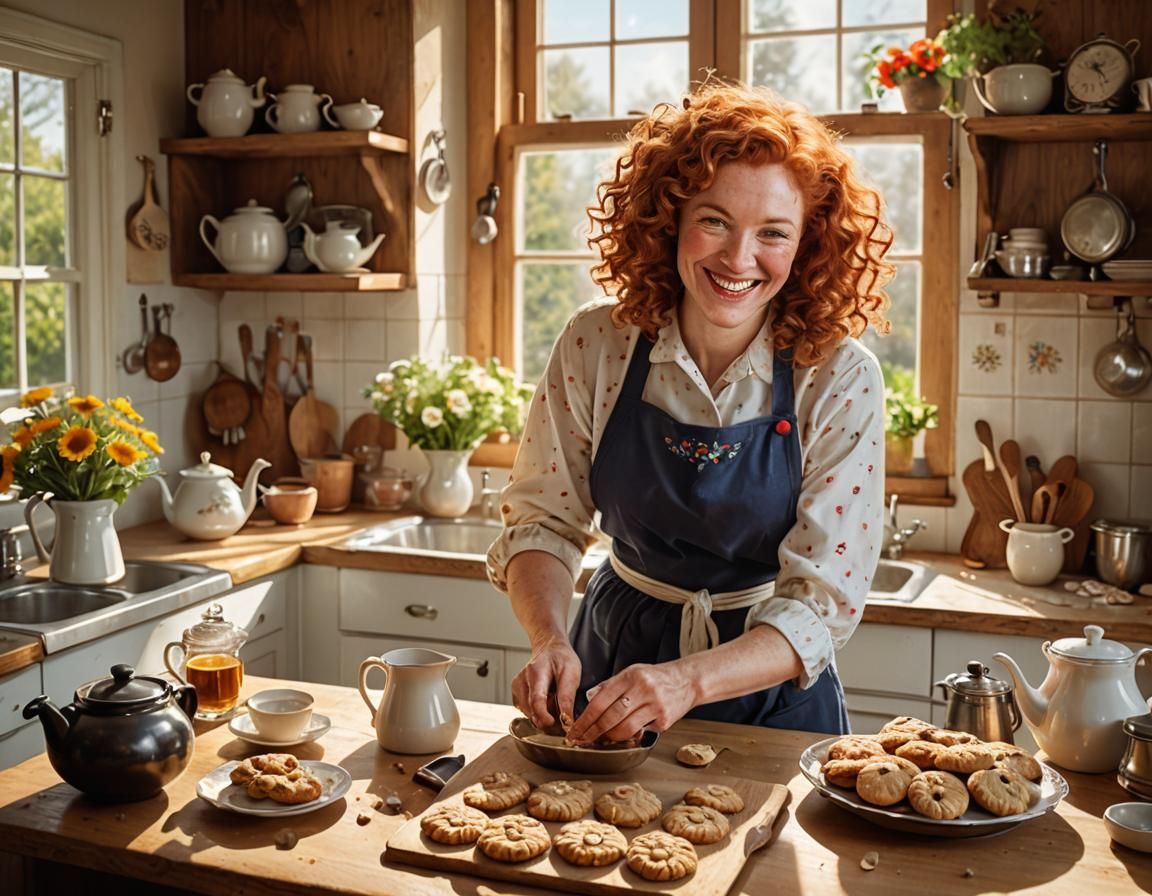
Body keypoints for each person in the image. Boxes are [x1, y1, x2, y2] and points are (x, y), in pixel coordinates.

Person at [485, 81, 894, 746]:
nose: (738, 259)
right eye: (714, 220)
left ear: (809, 244)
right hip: (607, 665)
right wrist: (549, 638)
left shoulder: (840, 377)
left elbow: (821, 608)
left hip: (768, 693)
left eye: (772, 233)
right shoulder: (597, 344)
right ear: (668, 217)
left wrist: (686, 680)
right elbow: (543, 519)